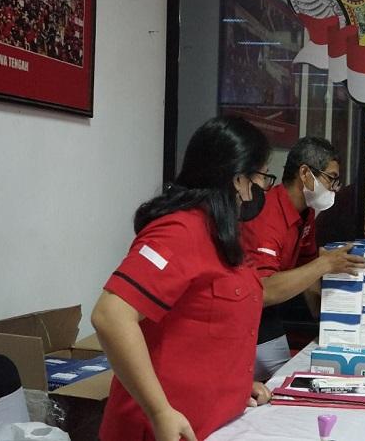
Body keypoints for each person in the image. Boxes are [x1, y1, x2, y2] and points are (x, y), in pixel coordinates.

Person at [91, 116, 274, 441]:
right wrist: (160, 411)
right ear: (237, 179)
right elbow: (111, 316)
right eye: (261, 177)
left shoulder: (224, 236)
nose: (262, 189)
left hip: (213, 424)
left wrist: (235, 386)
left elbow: (208, 328)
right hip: (160, 430)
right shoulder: (180, 231)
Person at [242, 137, 365, 381]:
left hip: (270, 317)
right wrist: (325, 263)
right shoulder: (266, 214)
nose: (335, 188)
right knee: (283, 384)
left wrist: (329, 325)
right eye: (331, 178)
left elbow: (307, 273)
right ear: (305, 174)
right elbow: (263, 291)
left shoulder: (306, 213)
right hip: (246, 317)